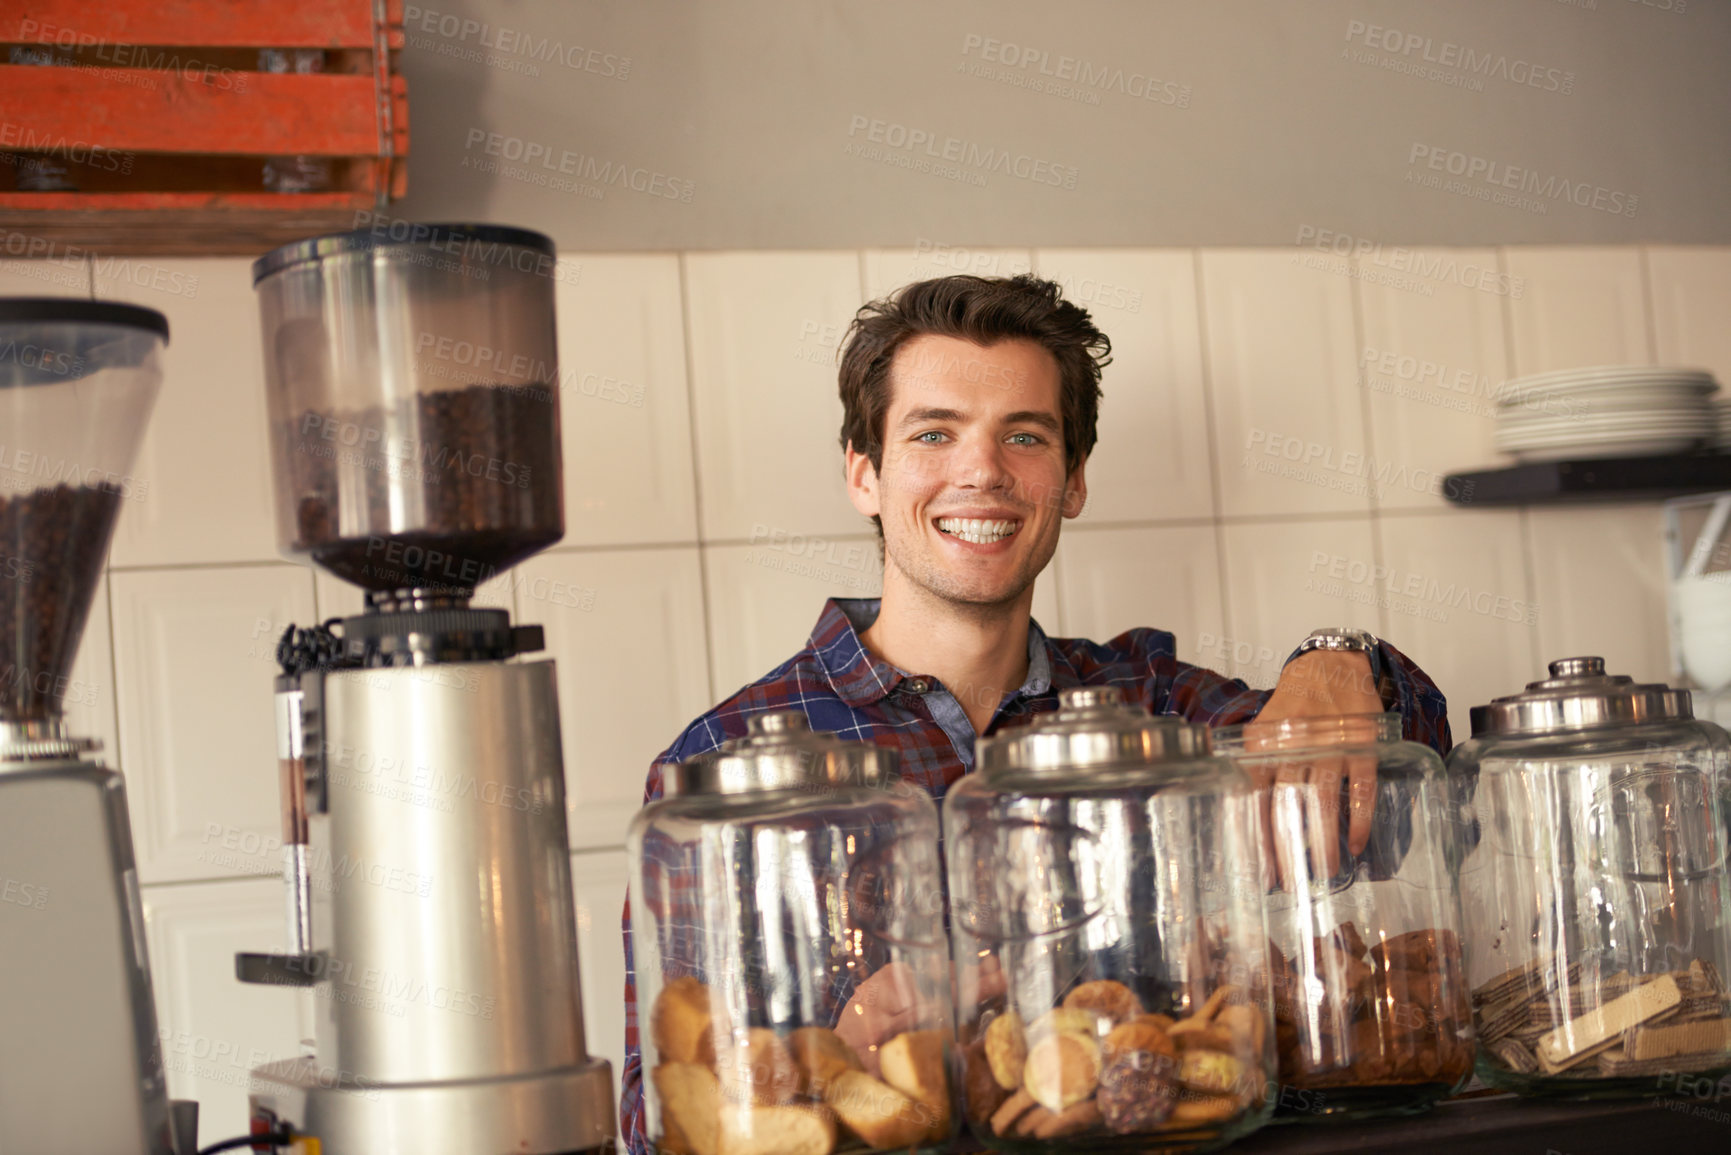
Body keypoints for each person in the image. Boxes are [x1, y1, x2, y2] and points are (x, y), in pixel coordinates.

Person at [617, 274, 1450, 1151]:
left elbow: (1400, 796)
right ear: (863, 474)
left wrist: (1338, 665)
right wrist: (825, 1059)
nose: (980, 470)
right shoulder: (721, 767)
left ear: (1073, 479)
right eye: (932, 433)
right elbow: (656, 1116)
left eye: (1023, 435)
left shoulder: (1151, 704)